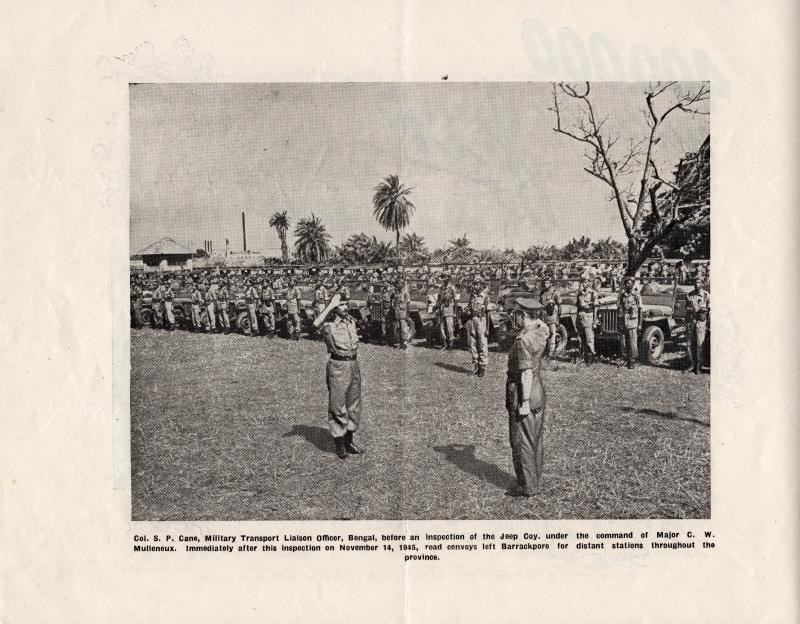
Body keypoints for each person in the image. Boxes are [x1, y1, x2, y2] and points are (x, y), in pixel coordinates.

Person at [505, 304, 550, 497]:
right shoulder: (541, 331)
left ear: (524, 315)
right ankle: (534, 480)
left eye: (516, 314)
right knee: (535, 439)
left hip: (526, 392)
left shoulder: (523, 340)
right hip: (538, 392)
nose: (513, 318)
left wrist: (523, 402)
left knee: (521, 441)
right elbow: (544, 326)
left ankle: (527, 487)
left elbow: (525, 374)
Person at [315, 292, 364, 460]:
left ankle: (349, 441)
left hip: (353, 364)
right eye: (341, 305)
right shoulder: (329, 324)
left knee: (354, 404)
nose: (345, 307)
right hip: (338, 366)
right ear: (334, 308)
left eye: (345, 304)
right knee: (337, 405)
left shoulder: (351, 320)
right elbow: (315, 323)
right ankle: (340, 444)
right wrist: (329, 305)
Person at [685, 277, 711, 374]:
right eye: (695, 282)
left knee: (700, 343)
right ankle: (692, 364)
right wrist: (693, 309)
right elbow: (686, 307)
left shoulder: (706, 295)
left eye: (698, 282)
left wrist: (708, 322)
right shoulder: (690, 295)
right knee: (689, 344)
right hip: (691, 320)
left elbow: (709, 309)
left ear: (702, 284)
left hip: (701, 321)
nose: (696, 284)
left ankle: (699, 366)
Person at [466, 276, 490, 376]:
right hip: (473, 320)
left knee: (482, 344)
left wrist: (488, 328)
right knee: (473, 344)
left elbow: (488, 313)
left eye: (478, 284)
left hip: (482, 321)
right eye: (475, 284)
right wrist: (467, 310)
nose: (476, 286)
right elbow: (469, 307)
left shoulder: (485, 296)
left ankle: (482, 367)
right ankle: (476, 366)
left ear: (482, 285)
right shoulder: (472, 296)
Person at [618, 277, 642, 369]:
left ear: (632, 284)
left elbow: (640, 309)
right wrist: (620, 322)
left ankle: (632, 361)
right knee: (623, 341)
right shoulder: (623, 295)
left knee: (632, 342)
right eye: (625, 283)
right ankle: (625, 358)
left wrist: (640, 324)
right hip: (624, 320)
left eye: (628, 283)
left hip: (633, 321)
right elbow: (620, 309)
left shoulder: (636, 295)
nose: (626, 285)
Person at [575, 274, 598, 365]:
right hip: (580, 318)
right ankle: (582, 356)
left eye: (586, 282)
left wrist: (595, 321)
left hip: (589, 318)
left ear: (589, 283)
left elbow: (595, 308)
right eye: (583, 282)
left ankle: (590, 358)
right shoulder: (580, 294)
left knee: (589, 339)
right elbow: (578, 307)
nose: (584, 284)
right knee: (581, 338)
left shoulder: (593, 293)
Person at [538, 276, 562, 358]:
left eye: (547, 282)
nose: (545, 284)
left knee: (552, 335)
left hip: (551, 316)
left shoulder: (554, 292)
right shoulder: (542, 292)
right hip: (544, 317)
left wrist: (558, 317)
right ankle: (545, 352)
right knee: (544, 335)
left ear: (550, 283)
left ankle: (551, 353)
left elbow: (559, 305)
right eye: (544, 283)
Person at [437, 273, 458, 350]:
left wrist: (455, 312)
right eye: (443, 277)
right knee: (441, 327)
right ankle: (445, 343)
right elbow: (439, 299)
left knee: (450, 327)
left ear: (449, 278)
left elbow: (455, 300)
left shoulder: (452, 288)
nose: (444, 279)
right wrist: (438, 309)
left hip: (449, 308)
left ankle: (451, 344)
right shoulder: (441, 288)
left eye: (445, 277)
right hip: (442, 309)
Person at [392, 278, 411, 349]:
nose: (397, 285)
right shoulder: (396, 293)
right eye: (396, 284)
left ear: (402, 285)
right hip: (397, 313)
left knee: (403, 328)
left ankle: (404, 342)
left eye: (399, 284)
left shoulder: (405, 293)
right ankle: (400, 342)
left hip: (403, 313)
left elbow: (408, 304)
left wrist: (407, 315)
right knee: (398, 328)